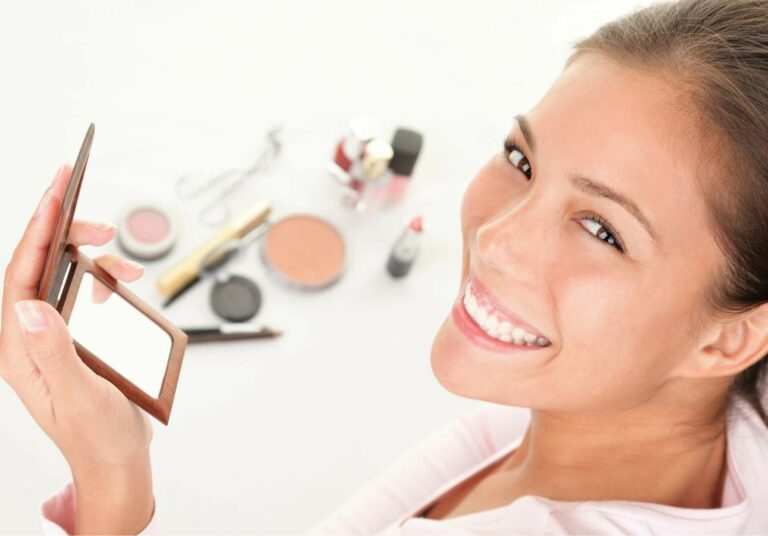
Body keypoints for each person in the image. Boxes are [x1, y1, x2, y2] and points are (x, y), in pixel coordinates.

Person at [3, 0, 768, 533]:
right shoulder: (615, 409)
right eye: (521, 159)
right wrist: (118, 463)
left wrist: (109, 481)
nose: (495, 239)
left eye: (602, 230)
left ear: (731, 338)